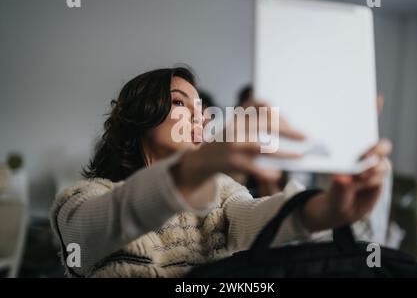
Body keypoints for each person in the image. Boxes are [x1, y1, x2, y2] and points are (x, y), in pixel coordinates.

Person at [50, 66, 392, 277]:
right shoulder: (84, 199)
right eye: (180, 102)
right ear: (139, 115)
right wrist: (189, 170)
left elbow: (255, 218)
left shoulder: (222, 193)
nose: (200, 117)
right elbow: (100, 224)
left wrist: (327, 209)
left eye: (201, 109)